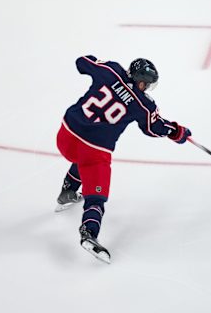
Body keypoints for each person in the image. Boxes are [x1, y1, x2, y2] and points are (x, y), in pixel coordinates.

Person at [55, 55, 191, 264]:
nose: (147, 89)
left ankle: (68, 191)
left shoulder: (111, 70)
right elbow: (153, 128)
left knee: (81, 157)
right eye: (147, 85)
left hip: (66, 134)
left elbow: (81, 62)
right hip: (95, 150)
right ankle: (88, 232)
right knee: (96, 196)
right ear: (141, 81)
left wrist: (94, 62)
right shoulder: (143, 104)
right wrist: (177, 131)